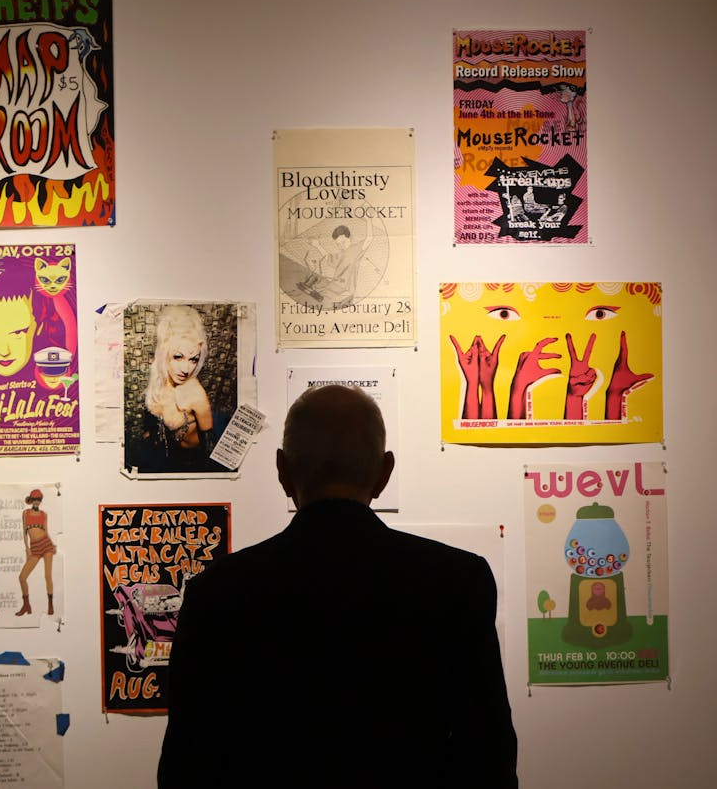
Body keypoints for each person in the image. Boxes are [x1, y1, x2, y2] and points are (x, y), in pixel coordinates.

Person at [158, 385, 517, 788]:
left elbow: (186, 766)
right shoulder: (458, 580)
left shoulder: (218, 591)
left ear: (282, 471)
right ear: (385, 473)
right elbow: (489, 756)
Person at [134, 305, 226, 472]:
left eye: (194, 359)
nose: (186, 369)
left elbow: (210, 450)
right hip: (164, 454)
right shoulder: (157, 379)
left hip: (190, 462)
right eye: (178, 357)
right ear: (164, 352)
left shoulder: (196, 396)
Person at [16, 489, 56, 616]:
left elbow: (46, 530)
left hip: (46, 544)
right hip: (34, 548)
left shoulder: (44, 514)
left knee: (48, 576)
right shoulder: (26, 513)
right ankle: (26, 605)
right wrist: (27, 548)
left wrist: (52, 543)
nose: (36, 502)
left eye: (38, 500)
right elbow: (24, 532)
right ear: (31, 501)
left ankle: (50, 604)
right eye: (34, 500)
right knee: (22, 577)